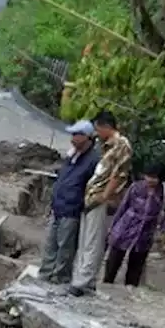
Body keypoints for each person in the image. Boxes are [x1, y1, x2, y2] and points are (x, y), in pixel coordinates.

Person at [70, 110, 133, 295]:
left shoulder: (122, 145)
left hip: (100, 198)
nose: (96, 133)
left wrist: (105, 196)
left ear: (106, 126)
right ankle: (81, 278)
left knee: (93, 242)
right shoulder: (105, 146)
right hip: (91, 197)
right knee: (85, 241)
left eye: (98, 129)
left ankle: (83, 281)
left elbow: (119, 174)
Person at [38, 121, 100, 284]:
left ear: (87, 137)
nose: (73, 139)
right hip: (58, 207)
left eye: (76, 135)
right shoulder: (72, 155)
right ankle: (45, 275)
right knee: (51, 245)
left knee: (65, 248)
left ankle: (60, 278)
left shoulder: (93, 160)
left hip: (72, 209)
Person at [104, 163, 165, 287]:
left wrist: (163, 231)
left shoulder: (164, 192)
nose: (150, 180)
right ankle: (107, 282)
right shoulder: (135, 187)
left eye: (154, 177)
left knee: (136, 263)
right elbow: (123, 207)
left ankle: (130, 287)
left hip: (146, 231)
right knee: (114, 259)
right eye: (148, 176)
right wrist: (112, 227)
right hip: (126, 227)